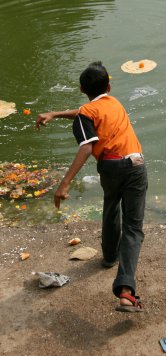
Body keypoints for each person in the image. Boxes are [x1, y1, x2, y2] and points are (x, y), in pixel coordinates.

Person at [35, 61, 148, 312]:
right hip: (135, 166)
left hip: (110, 168)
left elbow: (86, 132)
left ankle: (109, 257)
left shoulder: (89, 111)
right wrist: (55, 114)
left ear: (80, 88)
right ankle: (126, 291)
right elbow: (87, 121)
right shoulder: (114, 103)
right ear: (108, 86)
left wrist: (64, 184)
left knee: (111, 208)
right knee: (133, 227)